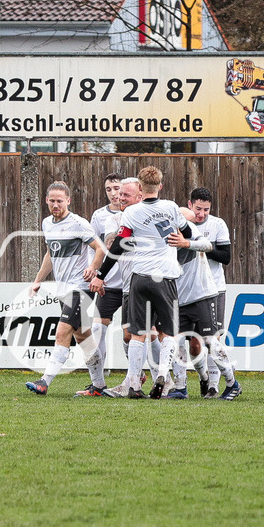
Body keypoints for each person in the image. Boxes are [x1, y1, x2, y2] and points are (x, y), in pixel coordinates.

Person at [91, 166, 191, 399]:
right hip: (164, 276)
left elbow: (117, 245)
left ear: (140, 186)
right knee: (169, 332)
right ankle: (166, 378)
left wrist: (101, 274)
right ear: (161, 186)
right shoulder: (171, 208)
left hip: (139, 277)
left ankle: (134, 385)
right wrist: (183, 241)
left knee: (137, 333)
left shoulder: (132, 213)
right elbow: (188, 232)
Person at [25, 181, 106, 396]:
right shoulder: (47, 224)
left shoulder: (78, 223)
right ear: (46, 201)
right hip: (63, 289)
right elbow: (51, 254)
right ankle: (99, 386)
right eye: (52, 201)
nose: (55, 205)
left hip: (80, 288)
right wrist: (38, 280)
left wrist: (93, 268)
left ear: (68, 201)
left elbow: (100, 249)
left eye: (59, 201)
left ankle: (44, 381)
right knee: (83, 338)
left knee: (62, 332)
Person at [166, 206, 242, 401]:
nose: (189, 224)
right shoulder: (164, 236)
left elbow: (208, 246)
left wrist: (186, 243)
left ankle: (232, 384)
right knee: (177, 342)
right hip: (179, 299)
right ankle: (181, 387)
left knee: (210, 341)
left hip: (202, 295)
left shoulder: (191, 232)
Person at [75, 172, 126, 397]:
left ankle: (137, 376)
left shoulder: (135, 211)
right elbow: (94, 247)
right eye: (109, 189)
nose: (114, 193)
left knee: (139, 333)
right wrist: (97, 274)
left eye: (117, 188)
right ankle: (98, 383)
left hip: (133, 283)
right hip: (108, 283)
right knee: (97, 329)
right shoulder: (99, 216)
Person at [186, 188, 233, 398]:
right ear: (189, 205)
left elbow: (226, 256)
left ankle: (214, 385)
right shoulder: (182, 224)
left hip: (214, 289)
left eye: (206, 209)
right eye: (198, 209)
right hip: (188, 290)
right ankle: (203, 376)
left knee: (213, 339)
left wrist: (200, 246)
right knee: (194, 344)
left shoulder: (217, 224)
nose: (201, 214)